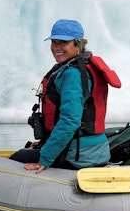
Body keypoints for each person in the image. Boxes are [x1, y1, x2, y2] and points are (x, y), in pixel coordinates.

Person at [11, 19, 121, 173]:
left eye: (63, 42)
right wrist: (47, 143)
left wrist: (45, 158)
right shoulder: (81, 66)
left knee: (16, 158)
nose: (56, 47)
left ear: (78, 44)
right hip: (94, 150)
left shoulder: (73, 74)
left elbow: (70, 122)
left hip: (80, 155)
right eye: (54, 42)